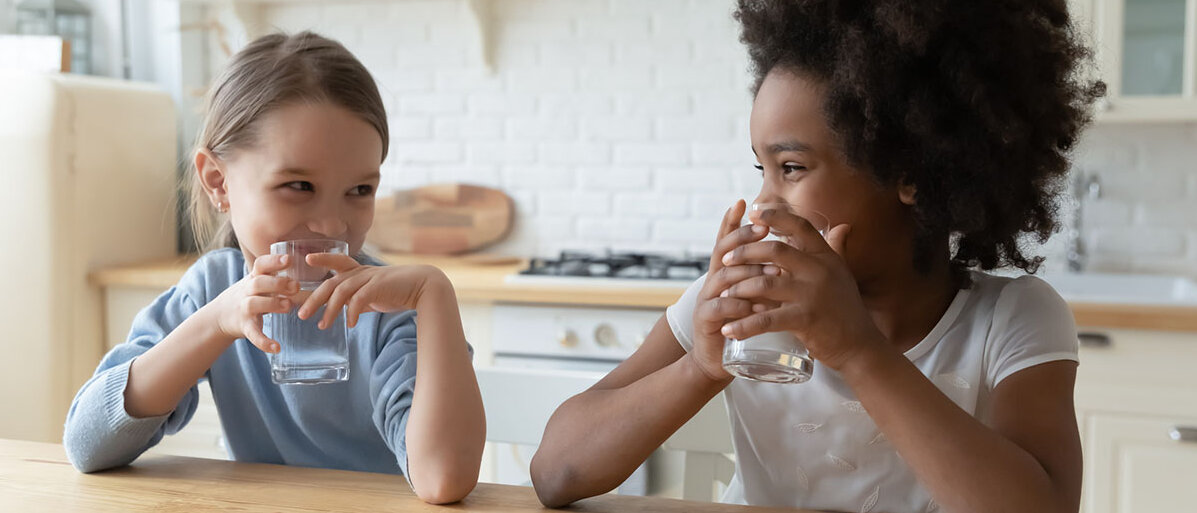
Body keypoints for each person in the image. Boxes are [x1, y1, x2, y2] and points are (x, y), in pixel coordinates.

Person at [531, 1, 1102, 512]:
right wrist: (700, 367)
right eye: (762, 169)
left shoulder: (1012, 320)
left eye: (792, 168)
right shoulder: (735, 308)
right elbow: (555, 474)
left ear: (912, 173)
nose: (762, 202)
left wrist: (856, 350)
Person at [63, 31, 485, 504]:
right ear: (218, 182)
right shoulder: (212, 290)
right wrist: (215, 324)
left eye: (360, 190)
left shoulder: (393, 308)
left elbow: (443, 479)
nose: (331, 223)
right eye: (299, 185)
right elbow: (86, 444)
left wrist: (435, 295)